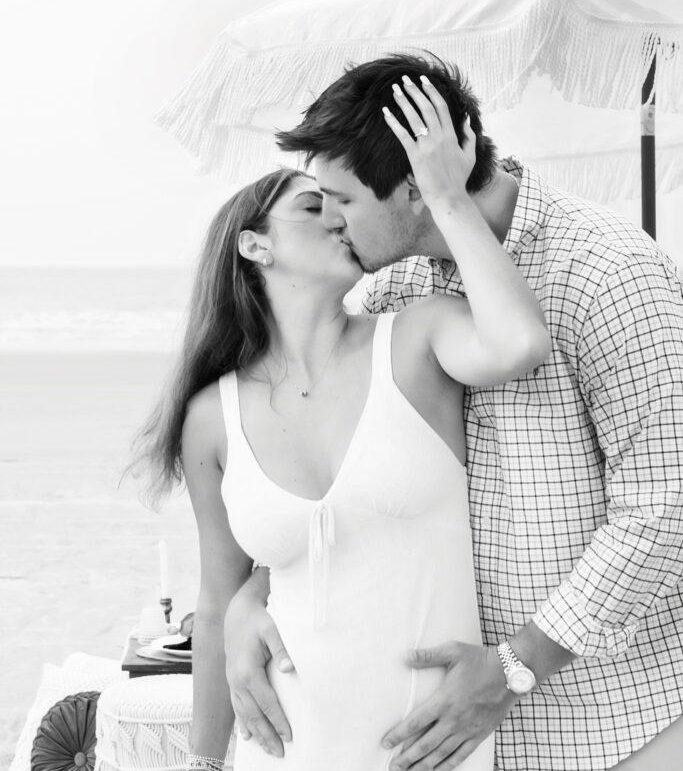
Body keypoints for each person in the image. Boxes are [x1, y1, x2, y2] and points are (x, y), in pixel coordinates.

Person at [226, 53, 683, 771]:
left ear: (415, 188)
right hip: (456, 737)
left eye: (340, 200)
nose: (332, 223)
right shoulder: (394, 286)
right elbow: (341, 474)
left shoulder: (609, 271)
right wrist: (251, 593)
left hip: (614, 727)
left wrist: (516, 664)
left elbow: (663, 509)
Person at [131, 81, 550, 771]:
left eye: (341, 205)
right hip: (284, 748)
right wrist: (204, 764)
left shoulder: (415, 339)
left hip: (428, 749)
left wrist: (444, 196)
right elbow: (215, 606)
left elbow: (518, 345)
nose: (337, 219)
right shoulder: (213, 417)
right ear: (254, 247)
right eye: (310, 206)